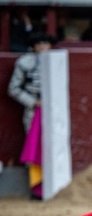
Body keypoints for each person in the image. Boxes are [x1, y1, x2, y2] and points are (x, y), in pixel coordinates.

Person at [8, 33, 54, 200]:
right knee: (35, 148)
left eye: (46, 43)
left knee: (53, 149)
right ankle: (37, 189)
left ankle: (52, 186)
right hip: (33, 111)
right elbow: (13, 89)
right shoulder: (25, 63)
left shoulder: (56, 63)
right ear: (33, 47)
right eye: (39, 43)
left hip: (54, 113)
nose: (43, 47)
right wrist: (33, 102)